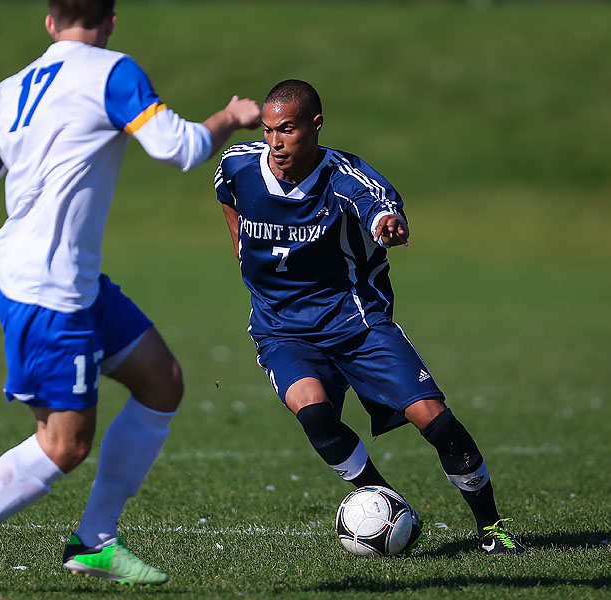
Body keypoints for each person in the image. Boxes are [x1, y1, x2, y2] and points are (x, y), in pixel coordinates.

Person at [0, 0, 260, 593]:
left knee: (162, 382)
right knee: (64, 446)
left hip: (69, 279)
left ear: (50, 21)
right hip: (49, 292)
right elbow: (181, 148)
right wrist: (231, 115)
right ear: (111, 20)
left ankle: (95, 540)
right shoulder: (113, 72)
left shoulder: (9, 88)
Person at [213, 79, 525, 556]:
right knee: (314, 413)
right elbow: (226, 192)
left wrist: (388, 225)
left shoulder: (346, 178)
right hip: (282, 328)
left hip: (356, 323)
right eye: (269, 130)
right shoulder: (239, 164)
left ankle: (492, 527)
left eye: (288, 130)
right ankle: (386, 501)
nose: (275, 142)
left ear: (316, 125)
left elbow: (379, 207)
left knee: (436, 422)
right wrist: (239, 246)